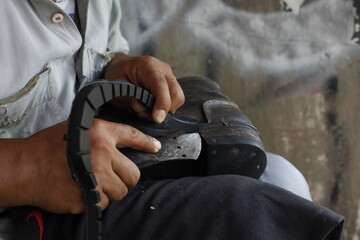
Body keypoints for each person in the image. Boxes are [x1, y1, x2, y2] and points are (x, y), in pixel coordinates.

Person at [0, 1, 343, 239]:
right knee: (246, 214)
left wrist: (117, 72)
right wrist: (26, 167)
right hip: (19, 217)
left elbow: (103, 49)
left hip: (98, 178)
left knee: (280, 179)